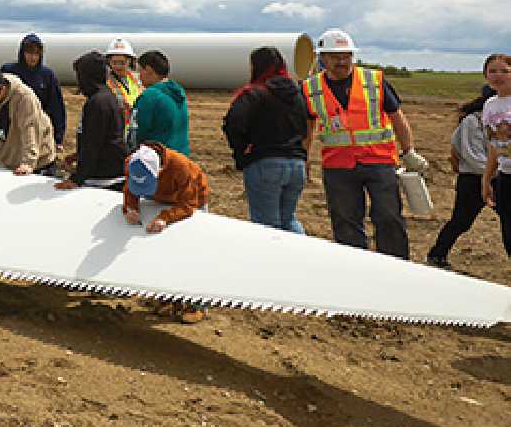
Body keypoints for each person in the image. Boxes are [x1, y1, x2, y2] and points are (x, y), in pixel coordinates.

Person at [301, 28, 427, 259]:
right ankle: (356, 268)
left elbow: (397, 117)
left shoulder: (374, 81)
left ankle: (395, 265)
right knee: (345, 222)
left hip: (379, 162)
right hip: (338, 166)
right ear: (323, 59)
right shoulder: (310, 88)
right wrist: (304, 158)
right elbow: (307, 129)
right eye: (335, 56)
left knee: (389, 217)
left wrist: (408, 151)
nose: (342, 61)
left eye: (346, 55)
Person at [222, 46, 309, 234]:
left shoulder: (254, 93)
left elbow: (232, 123)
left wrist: (241, 153)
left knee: (267, 227)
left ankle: (273, 262)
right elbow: (305, 126)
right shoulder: (298, 94)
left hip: (265, 163)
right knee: (289, 220)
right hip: (296, 164)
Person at [123, 143, 211, 323]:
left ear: (160, 170)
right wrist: (131, 208)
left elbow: (189, 205)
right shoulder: (131, 163)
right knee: (162, 254)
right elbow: (129, 189)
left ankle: (197, 305)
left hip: (191, 202)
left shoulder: (180, 167)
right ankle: (168, 299)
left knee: (189, 255)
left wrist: (166, 218)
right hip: (160, 200)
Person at [426, 57, 498, 267]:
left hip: (496, 177)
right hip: (474, 180)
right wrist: (495, 173)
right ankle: (436, 255)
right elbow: (472, 155)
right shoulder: (472, 121)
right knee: (461, 222)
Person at [55, 51, 127, 192]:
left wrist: (77, 179)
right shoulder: (107, 97)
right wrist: (78, 155)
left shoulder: (98, 103)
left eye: (80, 75)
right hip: (111, 171)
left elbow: (93, 144)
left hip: (103, 178)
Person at [1, 34, 67, 148]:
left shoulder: (47, 76)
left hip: (38, 127)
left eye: (37, 53)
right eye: (29, 53)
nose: (33, 57)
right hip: (12, 128)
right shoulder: (9, 71)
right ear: (22, 53)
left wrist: (58, 137)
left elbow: (56, 107)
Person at [479, 52, 511, 260]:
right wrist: (487, 178)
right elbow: (493, 146)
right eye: (492, 71)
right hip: (506, 175)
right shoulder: (490, 105)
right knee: (508, 234)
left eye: (505, 71)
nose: (498, 76)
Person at [132, 50, 190, 155]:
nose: (139, 76)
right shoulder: (178, 92)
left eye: (140, 71)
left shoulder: (149, 96)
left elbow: (137, 132)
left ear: (148, 70)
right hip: (180, 158)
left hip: (159, 160)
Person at [105, 37, 143, 146]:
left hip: (136, 129)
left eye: (122, 62)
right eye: (114, 62)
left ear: (129, 61)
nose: (118, 66)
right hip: (118, 132)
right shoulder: (106, 82)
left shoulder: (136, 79)